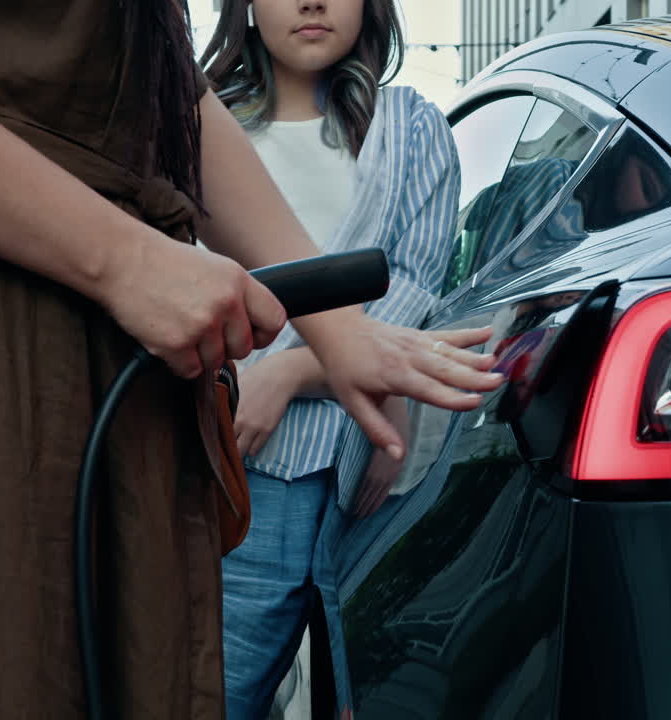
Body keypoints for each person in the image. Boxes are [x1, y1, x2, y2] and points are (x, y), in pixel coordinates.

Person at [0, 1, 502, 717]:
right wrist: (123, 260)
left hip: (104, 391)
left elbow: (161, 90)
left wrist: (337, 328)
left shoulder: (405, 126)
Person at [200, 1, 461, 717]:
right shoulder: (200, 128)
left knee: (380, 699)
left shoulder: (409, 129)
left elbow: (412, 286)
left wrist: (287, 374)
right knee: (219, 694)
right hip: (242, 473)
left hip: (365, 469)